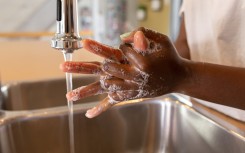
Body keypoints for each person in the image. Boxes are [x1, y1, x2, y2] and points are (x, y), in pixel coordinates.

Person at [60, 0, 245, 119]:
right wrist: (142, 67)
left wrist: (181, 76)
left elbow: (181, 71)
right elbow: (186, 45)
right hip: (201, 114)